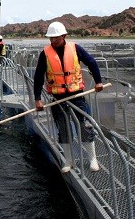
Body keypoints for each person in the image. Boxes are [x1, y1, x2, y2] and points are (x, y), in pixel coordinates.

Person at [34, 21, 104, 173]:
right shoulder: (45, 54)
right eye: (51, 38)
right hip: (58, 99)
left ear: (64, 36)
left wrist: (98, 82)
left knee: (85, 126)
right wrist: (37, 99)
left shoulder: (75, 49)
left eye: (56, 38)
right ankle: (69, 161)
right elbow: (38, 77)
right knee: (64, 130)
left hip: (77, 96)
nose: (53, 41)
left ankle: (92, 159)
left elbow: (92, 63)